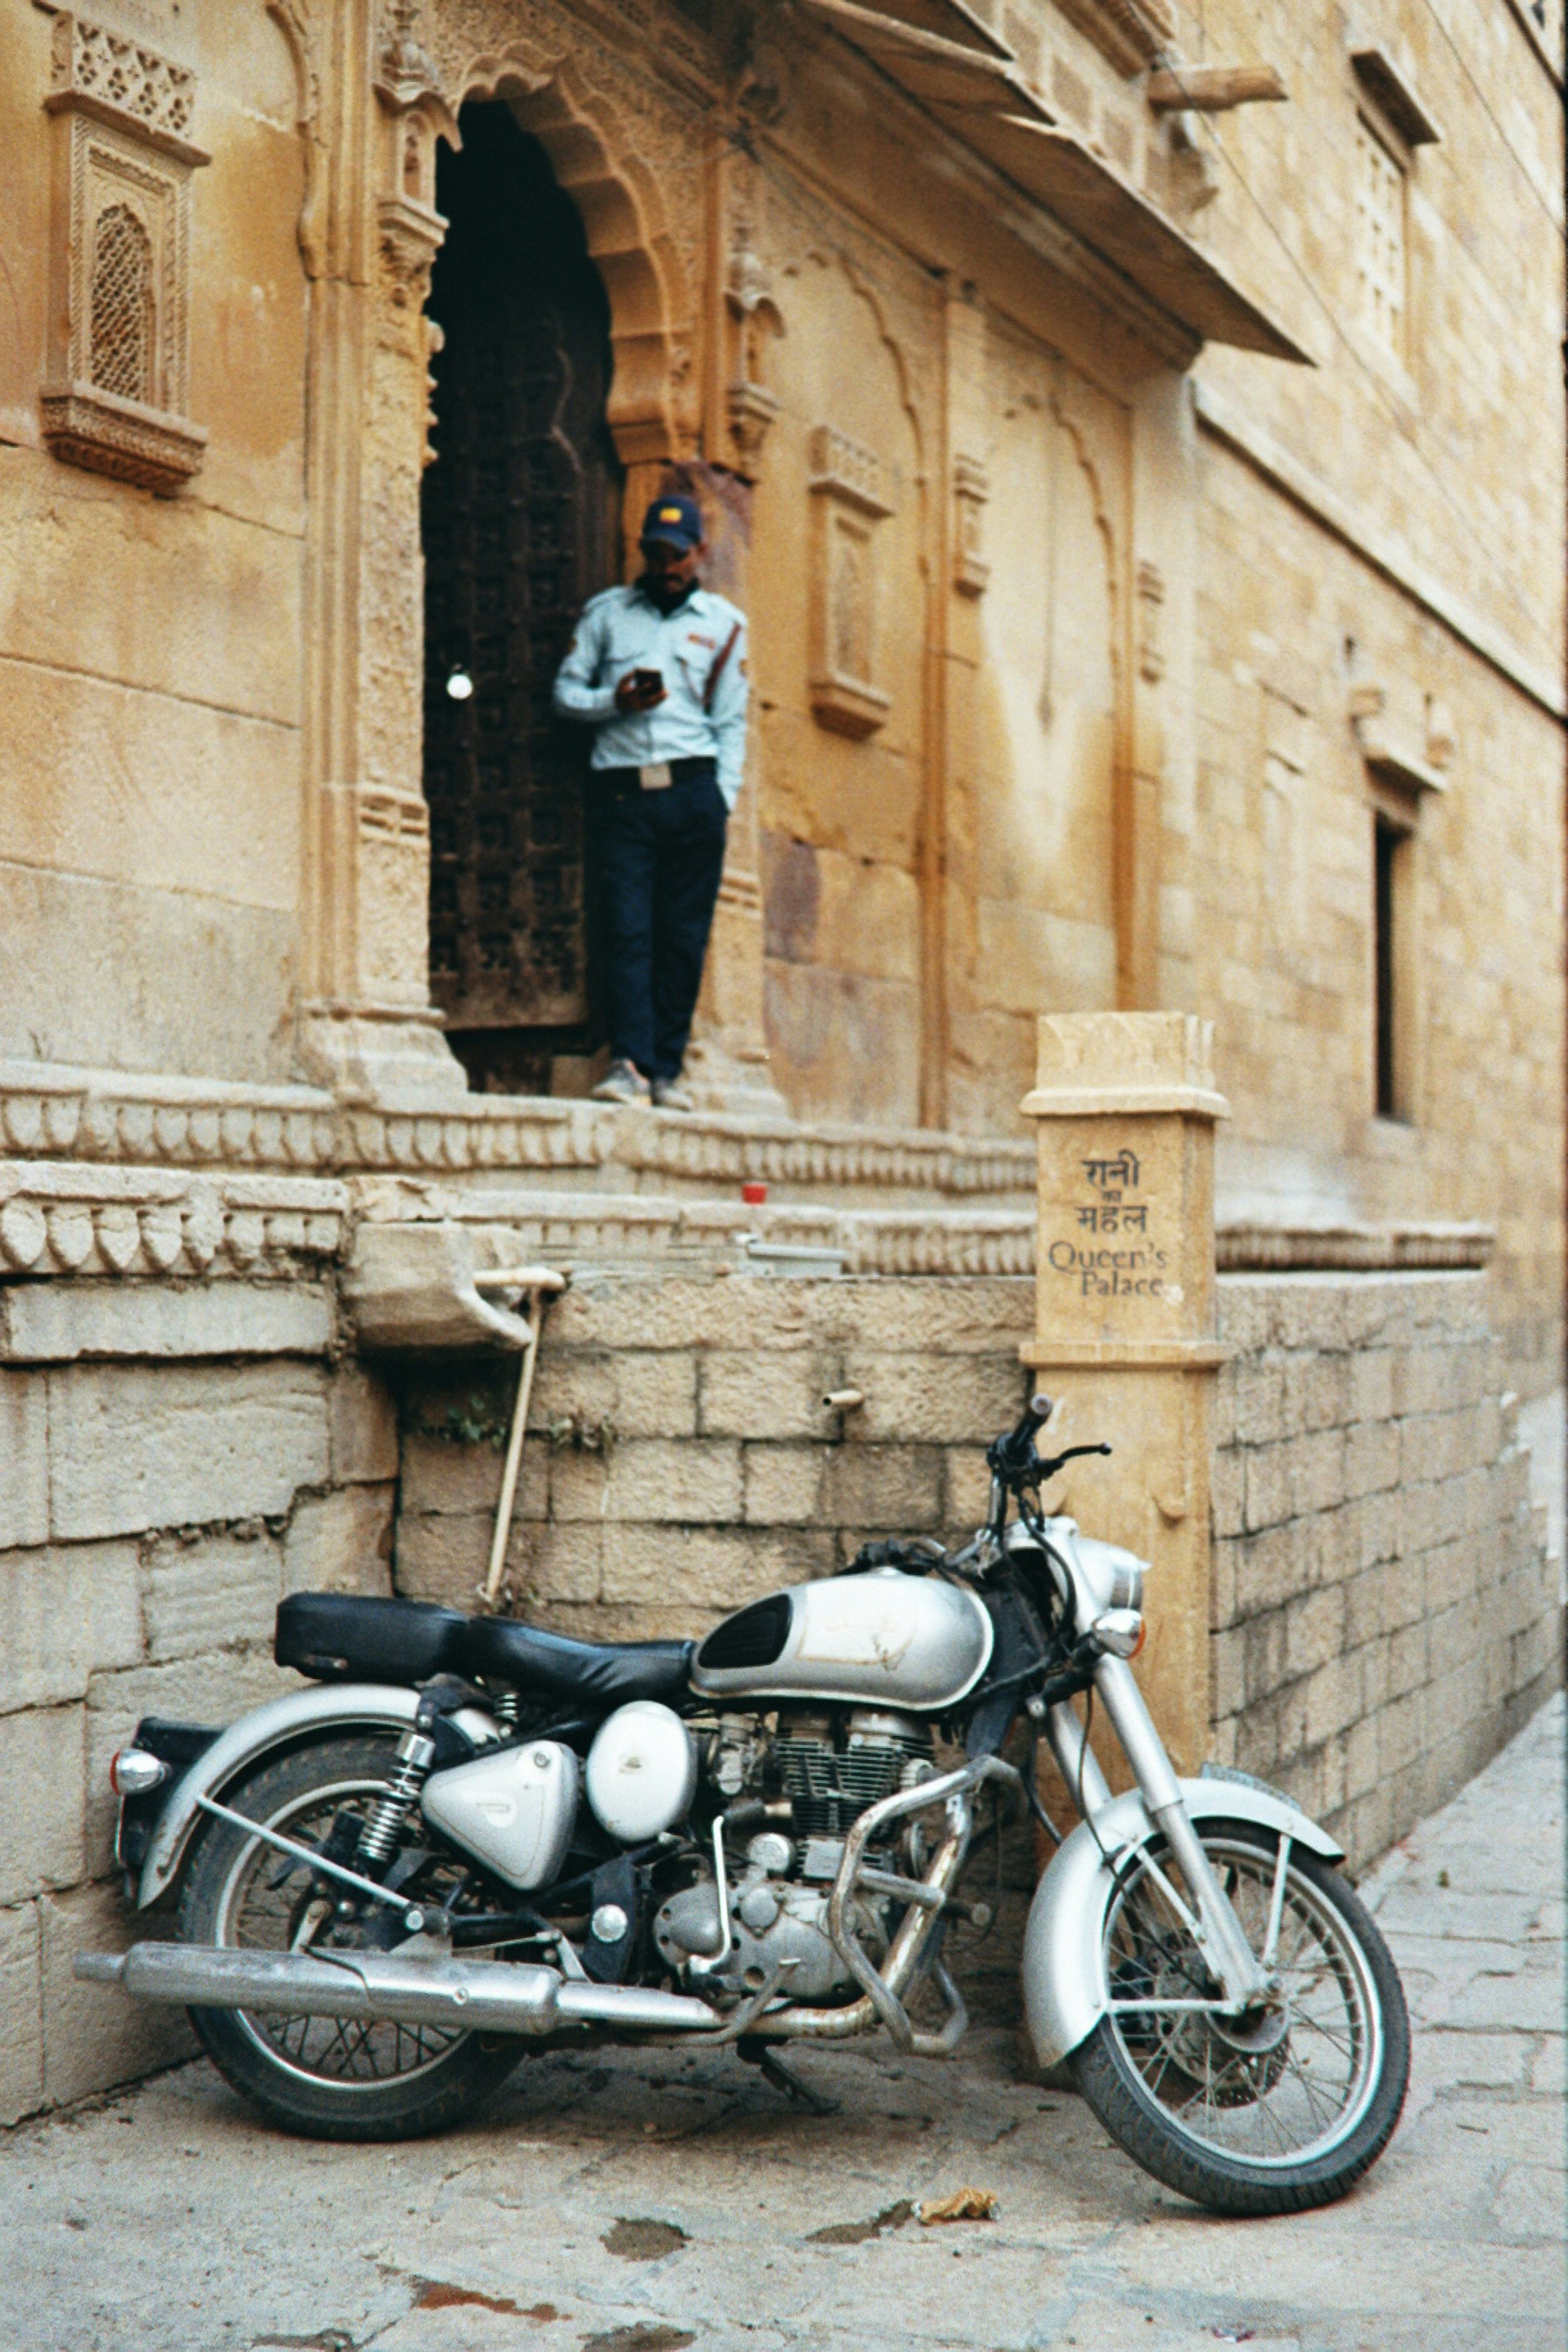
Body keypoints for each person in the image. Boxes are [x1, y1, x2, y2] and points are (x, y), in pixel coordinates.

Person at [553, 493, 748, 1110]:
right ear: (643, 551)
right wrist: (616, 701)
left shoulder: (724, 625)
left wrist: (722, 798)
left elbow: (732, 722)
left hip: (692, 792)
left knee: (682, 935)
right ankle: (628, 1067)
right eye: (656, 553)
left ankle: (665, 1068)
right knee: (628, 929)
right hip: (624, 791)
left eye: (678, 555)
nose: (667, 566)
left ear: (701, 553)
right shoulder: (607, 615)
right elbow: (564, 694)